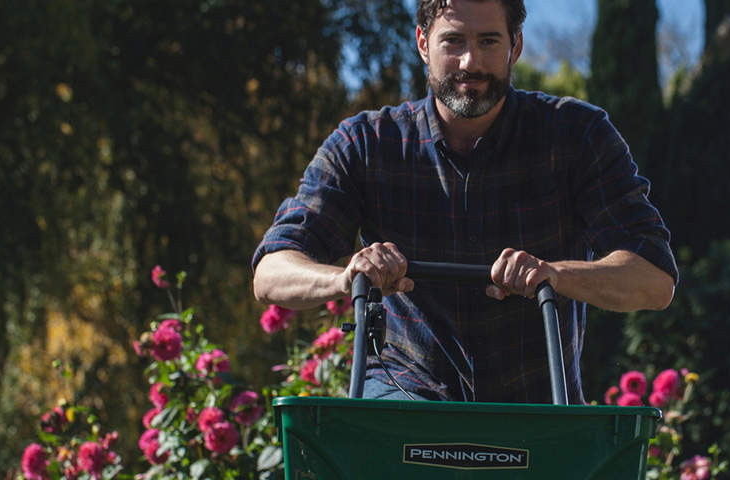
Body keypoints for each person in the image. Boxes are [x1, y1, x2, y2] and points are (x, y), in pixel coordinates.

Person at [252, 0, 677, 404]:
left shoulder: (577, 136)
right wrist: (348, 277)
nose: (470, 62)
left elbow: (654, 279)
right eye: (453, 41)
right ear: (422, 43)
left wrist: (553, 274)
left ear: (516, 45)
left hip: (535, 410)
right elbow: (271, 272)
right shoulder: (365, 144)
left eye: (489, 41)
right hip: (405, 395)